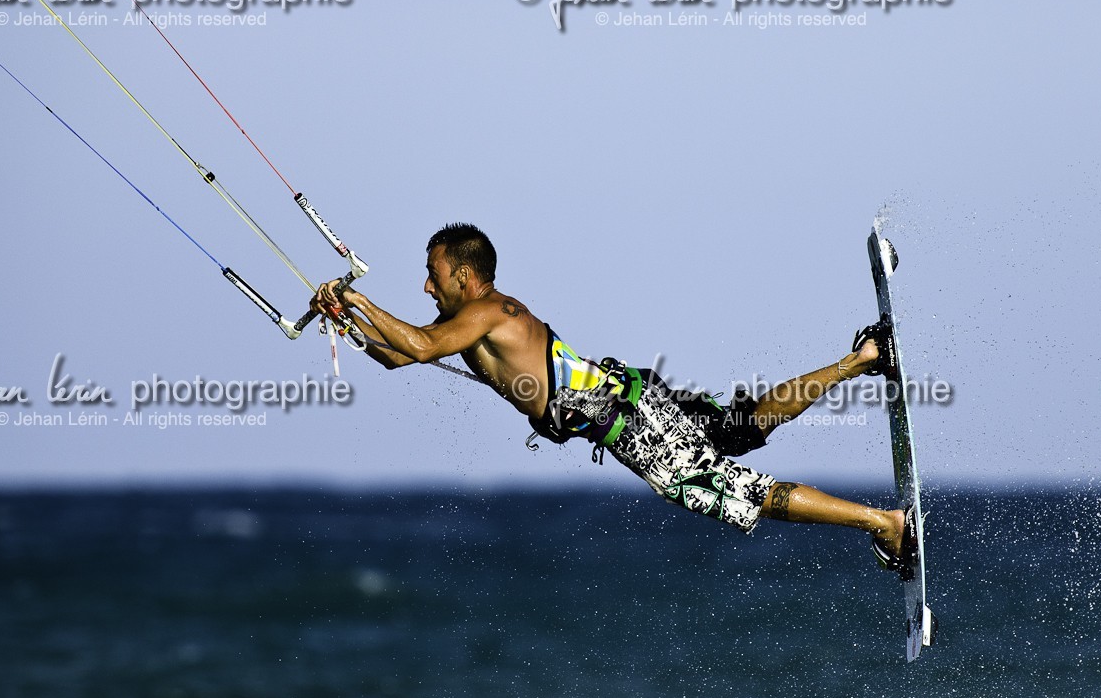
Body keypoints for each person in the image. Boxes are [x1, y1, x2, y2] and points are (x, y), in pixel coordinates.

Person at [312, 223, 907, 568]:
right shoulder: (469, 321)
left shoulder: (491, 311)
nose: (425, 284)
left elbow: (418, 347)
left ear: (464, 276)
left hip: (630, 421)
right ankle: (863, 358)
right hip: (629, 398)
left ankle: (885, 523)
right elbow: (398, 355)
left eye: (433, 273)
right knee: (740, 425)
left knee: (740, 492)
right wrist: (346, 322)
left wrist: (357, 297)